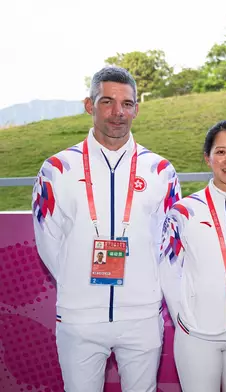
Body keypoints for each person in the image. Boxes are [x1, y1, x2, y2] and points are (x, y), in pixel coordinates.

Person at [32, 66, 181, 392]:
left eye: (127, 104)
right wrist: (80, 285)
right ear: (89, 105)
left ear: (137, 109)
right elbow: (48, 241)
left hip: (141, 317)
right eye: (107, 102)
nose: (118, 112)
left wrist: (145, 287)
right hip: (79, 318)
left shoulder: (161, 171)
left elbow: (168, 245)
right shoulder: (57, 169)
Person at [159, 120, 226, 392]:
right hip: (197, 336)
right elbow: (168, 269)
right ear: (207, 158)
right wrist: (186, 317)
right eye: (220, 152)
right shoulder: (184, 212)